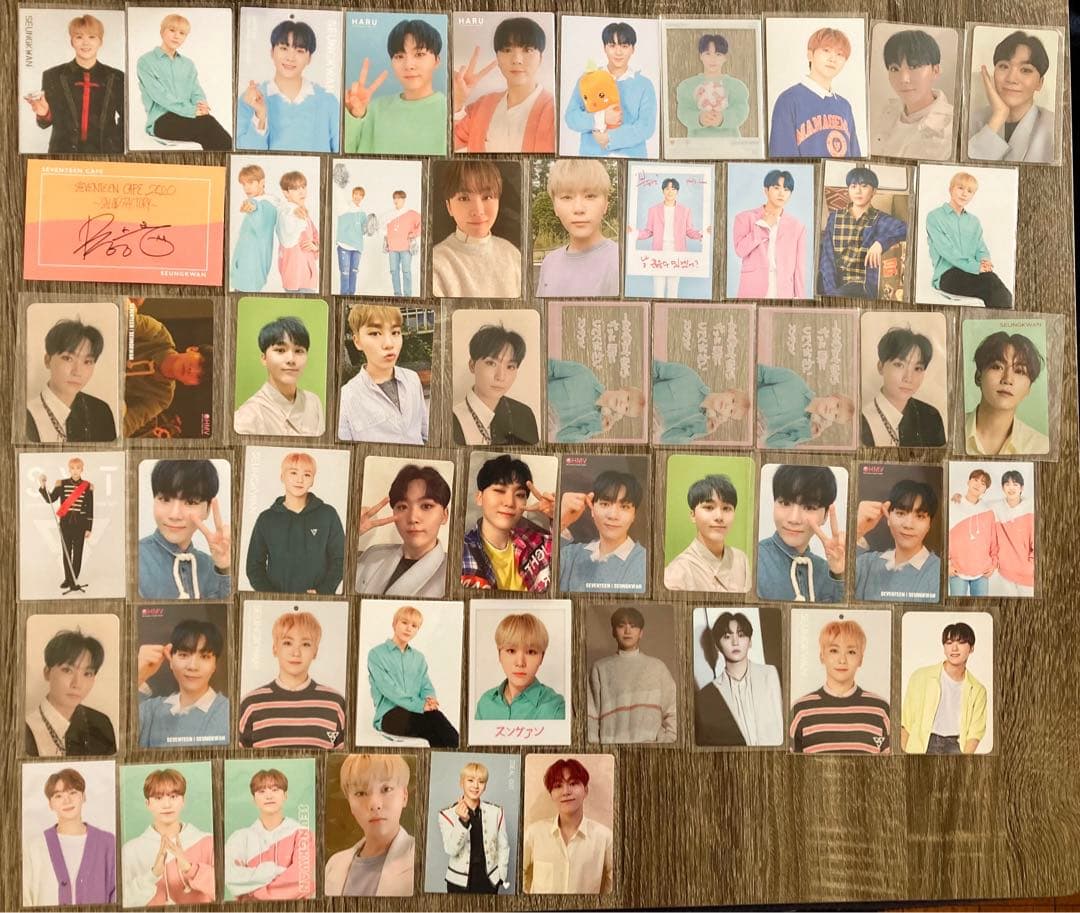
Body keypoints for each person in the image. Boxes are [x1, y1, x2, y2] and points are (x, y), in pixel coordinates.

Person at [237, 610, 347, 750]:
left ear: (315, 651)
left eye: (305, 644)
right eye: (288, 643)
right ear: (275, 648)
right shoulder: (250, 705)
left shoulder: (335, 704)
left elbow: (344, 760)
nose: (296, 653)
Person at [245, 452, 344, 595]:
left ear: (313, 480)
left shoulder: (328, 515)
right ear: (282, 477)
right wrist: (272, 597)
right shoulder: (266, 519)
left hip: (319, 601)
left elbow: (340, 560)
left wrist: (322, 592)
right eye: (293, 472)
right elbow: (254, 566)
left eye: (307, 475)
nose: (300, 480)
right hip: (276, 602)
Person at [344, 18, 446, 155]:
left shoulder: (448, 111)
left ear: (436, 61)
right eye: (399, 56)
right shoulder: (374, 109)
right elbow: (347, 156)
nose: (409, 65)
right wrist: (354, 116)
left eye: (419, 54)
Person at [453, 16, 555, 153]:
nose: (517, 60)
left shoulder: (554, 111)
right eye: (507, 50)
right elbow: (449, 143)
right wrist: (457, 102)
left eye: (528, 50)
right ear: (498, 57)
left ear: (540, 58)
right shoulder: (482, 105)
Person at [237, 19, 340, 152]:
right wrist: (260, 116)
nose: (290, 58)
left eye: (299, 51)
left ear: (309, 58)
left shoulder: (328, 102)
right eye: (284, 48)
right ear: (272, 52)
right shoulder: (250, 100)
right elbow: (243, 156)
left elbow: (340, 156)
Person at [790, 619, 891, 754]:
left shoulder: (880, 710)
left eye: (851, 652)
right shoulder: (800, 711)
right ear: (822, 656)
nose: (842, 660)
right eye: (834, 650)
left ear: (861, 659)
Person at [26, 14, 124, 153]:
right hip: (63, 154)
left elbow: (127, 120)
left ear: (100, 42)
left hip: (105, 154)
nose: (85, 43)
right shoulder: (52, 76)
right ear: (72, 41)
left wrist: (114, 147)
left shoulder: (117, 77)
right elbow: (44, 124)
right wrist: (44, 113)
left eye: (92, 37)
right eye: (79, 37)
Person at [366, 605, 459, 746]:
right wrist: (420, 705)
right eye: (404, 622)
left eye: (414, 626)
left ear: (417, 630)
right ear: (394, 624)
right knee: (435, 721)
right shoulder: (376, 654)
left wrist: (430, 699)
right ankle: (460, 748)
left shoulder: (418, 658)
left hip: (416, 713)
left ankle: (454, 750)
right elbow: (389, 689)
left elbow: (425, 685)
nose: (409, 628)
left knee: (434, 732)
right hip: (390, 715)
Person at [121, 768, 216, 906]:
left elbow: (221, 892)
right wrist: (153, 875)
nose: (167, 805)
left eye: (173, 796)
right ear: (148, 804)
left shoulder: (208, 841)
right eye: (158, 798)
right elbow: (124, 902)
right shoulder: (131, 850)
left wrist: (190, 869)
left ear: (183, 801)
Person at [136, 13, 231, 149]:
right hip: (162, 119)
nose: (177, 36)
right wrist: (191, 110)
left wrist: (201, 104)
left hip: (188, 116)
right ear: (162, 32)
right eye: (172, 30)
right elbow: (160, 95)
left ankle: (223, 159)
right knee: (208, 126)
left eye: (182, 33)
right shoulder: (146, 61)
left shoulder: (188, 64)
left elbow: (195, 90)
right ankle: (230, 157)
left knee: (209, 130)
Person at [23, 767, 116, 906]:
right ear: (50, 804)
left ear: (83, 797)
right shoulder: (34, 848)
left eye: (73, 793)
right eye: (58, 796)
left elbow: (116, 897)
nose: (67, 801)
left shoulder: (108, 843)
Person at [138, 460, 230, 600]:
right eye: (165, 499)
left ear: (208, 509)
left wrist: (225, 568)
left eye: (191, 502)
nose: (175, 515)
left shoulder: (212, 567)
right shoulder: (133, 560)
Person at [324, 754, 414, 896]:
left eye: (386, 789)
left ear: (404, 796)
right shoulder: (333, 865)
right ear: (350, 804)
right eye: (361, 793)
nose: (374, 804)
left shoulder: (421, 860)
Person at [563, 21, 657, 157]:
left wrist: (610, 138)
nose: (618, 52)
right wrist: (601, 118)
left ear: (633, 49)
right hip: (593, 159)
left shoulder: (644, 85)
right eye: (612, 45)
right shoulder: (588, 79)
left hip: (631, 158)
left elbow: (646, 127)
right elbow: (571, 117)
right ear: (604, 48)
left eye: (624, 46)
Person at [355, 464, 450, 597]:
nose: (412, 518)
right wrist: (352, 533)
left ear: (444, 515)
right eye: (402, 507)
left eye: (426, 506)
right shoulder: (373, 555)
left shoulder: (456, 573)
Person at [461, 455, 552, 592]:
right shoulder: (462, 552)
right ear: (479, 498)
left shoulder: (535, 542)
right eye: (499, 491)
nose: (509, 502)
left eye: (519, 495)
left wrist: (558, 518)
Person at [339, 305, 428, 444]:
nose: (389, 344)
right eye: (375, 333)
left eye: (395, 332)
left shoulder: (412, 379)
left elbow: (425, 434)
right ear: (357, 342)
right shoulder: (346, 398)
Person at [432, 161, 522, 298]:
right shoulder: (436, 263)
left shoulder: (512, 254)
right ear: (449, 207)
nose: (478, 211)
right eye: (464, 198)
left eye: (487, 197)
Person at [757, 465, 845, 603]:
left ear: (826, 515)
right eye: (785, 503)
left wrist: (839, 574)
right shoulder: (754, 561)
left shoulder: (826, 570)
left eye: (809, 507)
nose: (794, 519)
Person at [523, 758, 613, 894]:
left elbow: (614, 884)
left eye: (573, 783)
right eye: (558, 785)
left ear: (585, 790)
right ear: (551, 794)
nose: (566, 791)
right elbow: (516, 873)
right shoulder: (534, 833)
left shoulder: (605, 837)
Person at [223, 769, 315, 901]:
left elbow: (302, 882)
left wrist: (253, 892)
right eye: (261, 791)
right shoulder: (240, 838)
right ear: (254, 799)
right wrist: (274, 871)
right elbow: (230, 876)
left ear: (285, 795)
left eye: (275, 789)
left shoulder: (302, 835)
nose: (269, 796)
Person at [587, 607, 676, 743]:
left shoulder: (657, 668)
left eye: (633, 626)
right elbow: (590, 718)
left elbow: (673, 712)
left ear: (641, 633)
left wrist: (664, 744)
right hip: (611, 750)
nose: (627, 631)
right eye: (621, 626)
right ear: (613, 632)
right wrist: (599, 751)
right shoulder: (599, 669)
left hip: (651, 751)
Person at [925, 171, 1013, 309]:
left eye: (969, 191)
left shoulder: (974, 221)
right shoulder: (934, 217)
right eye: (960, 188)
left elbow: (980, 248)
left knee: (999, 291)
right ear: (951, 189)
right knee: (991, 284)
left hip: (972, 272)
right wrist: (976, 267)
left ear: (973, 195)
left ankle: (1001, 317)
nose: (964, 194)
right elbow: (947, 250)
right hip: (948, 274)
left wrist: (985, 261)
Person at [769, 27, 861, 157]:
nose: (833, 59)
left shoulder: (844, 106)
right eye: (826, 50)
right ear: (810, 55)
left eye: (839, 54)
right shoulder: (789, 100)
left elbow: (855, 159)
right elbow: (782, 156)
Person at [695, 611, 784, 746]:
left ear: (750, 642)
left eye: (741, 635)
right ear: (717, 646)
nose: (735, 642)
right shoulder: (707, 696)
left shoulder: (772, 675)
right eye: (727, 636)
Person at [124, 301, 212, 437]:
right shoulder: (158, 333)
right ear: (192, 349)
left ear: (190, 384)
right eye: (199, 363)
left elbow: (129, 422)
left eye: (199, 377)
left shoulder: (162, 397)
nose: (192, 371)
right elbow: (120, 322)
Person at [137, 619, 229, 748]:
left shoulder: (228, 712)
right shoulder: (149, 709)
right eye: (184, 655)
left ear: (215, 665)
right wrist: (138, 675)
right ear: (170, 659)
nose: (192, 666)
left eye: (204, 656)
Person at [818, 166, 907, 298]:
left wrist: (880, 243)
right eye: (853, 186)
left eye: (864, 186)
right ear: (848, 190)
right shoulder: (835, 218)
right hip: (837, 286)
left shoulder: (880, 219)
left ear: (874, 191)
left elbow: (906, 229)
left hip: (865, 288)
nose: (858, 191)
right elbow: (827, 258)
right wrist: (831, 293)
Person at [535, 159, 620, 297]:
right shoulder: (549, 263)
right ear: (554, 206)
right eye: (567, 197)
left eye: (590, 196)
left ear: (605, 204)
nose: (579, 208)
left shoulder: (621, 262)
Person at [26, 629, 116, 757]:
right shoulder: (25, 729)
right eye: (67, 670)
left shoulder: (101, 724)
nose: (77, 684)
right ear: (47, 672)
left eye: (87, 673)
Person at [968, 30, 1055, 163]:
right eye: (1004, 66)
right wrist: (999, 115)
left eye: (1025, 70)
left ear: (1040, 83)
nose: (1011, 79)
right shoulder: (971, 120)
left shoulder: (1055, 128)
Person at [901, 622, 987, 754]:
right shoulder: (921, 677)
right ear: (944, 647)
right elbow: (905, 723)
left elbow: (975, 733)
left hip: (956, 746)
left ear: (971, 648)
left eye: (961, 642)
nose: (954, 648)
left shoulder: (977, 690)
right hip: (923, 745)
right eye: (949, 643)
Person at [27, 318, 116, 443]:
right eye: (68, 358)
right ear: (47, 360)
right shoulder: (26, 416)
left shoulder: (101, 411)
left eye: (87, 362)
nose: (77, 372)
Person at [870, 28, 954, 159]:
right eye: (895, 69)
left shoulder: (952, 127)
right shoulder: (886, 112)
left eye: (913, 67)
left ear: (935, 71)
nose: (903, 79)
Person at [559, 469, 647, 594]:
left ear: (634, 515)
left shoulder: (644, 562)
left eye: (624, 507)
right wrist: (561, 520)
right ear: (592, 509)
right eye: (605, 504)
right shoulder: (571, 554)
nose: (613, 515)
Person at [854, 479, 942, 603]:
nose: (908, 525)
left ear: (929, 525)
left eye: (920, 516)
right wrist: (857, 530)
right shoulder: (866, 563)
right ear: (888, 517)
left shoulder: (939, 572)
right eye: (901, 513)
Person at [234, 317, 325, 437]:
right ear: (264, 358)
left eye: (298, 351)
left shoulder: (313, 402)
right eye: (281, 350)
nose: (291, 359)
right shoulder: (247, 417)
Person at [452, 324, 538, 445]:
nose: (500, 377)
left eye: (510, 366)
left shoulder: (524, 415)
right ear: (472, 365)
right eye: (491, 363)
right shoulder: (452, 420)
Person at [964, 330, 1048, 455]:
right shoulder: (948, 431)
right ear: (978, 376)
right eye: (997, 367)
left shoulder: (1041, 447)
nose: (1007, 379)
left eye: (1019, 371)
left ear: (1029, 388)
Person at [860, 325, 946, 447]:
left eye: (917, 368)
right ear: (881, 367)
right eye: (899, 365)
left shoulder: (931, 417)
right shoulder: (861, 421)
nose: (908, 378)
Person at [664, 474, 750, 593]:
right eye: (709, 507)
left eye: (726, 508)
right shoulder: (677, 572)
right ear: (693, 515)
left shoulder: (741, 559)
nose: (719, 517)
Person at [628, 177, 710, 298]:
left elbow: (689, 231)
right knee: (658, 290)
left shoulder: (685, 210)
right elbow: (648, 231)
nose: (670, 191)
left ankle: (670, 310)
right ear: (663, 191)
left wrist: (704, 233)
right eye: (667, 188)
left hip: (677, 254)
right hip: (658, 253)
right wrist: (633, 233)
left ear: (677, 191)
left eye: (673, 188)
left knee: (673, 290)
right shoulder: (653, 210)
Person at [731, 169, 806, 298]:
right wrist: (763, 225)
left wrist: (800, 300)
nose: (781, 193)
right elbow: (740, 251)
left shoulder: (797, 227)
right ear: (766, 190)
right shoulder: (744, 218)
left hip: (783, 294)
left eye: (786, 189)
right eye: (776, 188)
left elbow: (799, 270)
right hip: (752, 290)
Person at [475, 613, 565, 720]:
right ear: (499, 654)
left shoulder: (556, 709)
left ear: (542, 657)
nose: (520, 663)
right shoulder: (485, 704)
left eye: (531, 652)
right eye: (511, 651)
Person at [437, 762, 509, 893]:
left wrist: (501, 876)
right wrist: (462, 822)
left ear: (485, 786)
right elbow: (451, 850)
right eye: (470, 780)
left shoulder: (496, 812)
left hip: (489, 881)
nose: (475, 786)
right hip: (458, 883)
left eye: (481, 782)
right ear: (461, 783)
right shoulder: (446, 815)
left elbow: (503, 846)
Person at [651, 359, 751, 444]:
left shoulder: (699, 426)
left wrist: (708, 428)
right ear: (729, 391)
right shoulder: (689, 377)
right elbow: (653, 367)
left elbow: (666, 439)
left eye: (731, 411)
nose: (727, 406)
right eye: (733, 400)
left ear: (726, 418)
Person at [756, 363, 856, 448]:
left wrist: (807, 434)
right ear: (832, 396)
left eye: (835, 416)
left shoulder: (802, 430)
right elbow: (759, 372)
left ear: (830, 421)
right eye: (837, 405)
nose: (832, 410)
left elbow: (771, 443)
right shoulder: (794, 381)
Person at [547, 358, 645, 442]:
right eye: (628, 398)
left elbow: (561, 438)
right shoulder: (585, 374)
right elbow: (549, 367)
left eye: (626, 409)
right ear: (623, 388)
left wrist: (597, 429)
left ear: (621, 414)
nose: (623, 403)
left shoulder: (593, 425)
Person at [37, 458, 96, 594]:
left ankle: (73, 579)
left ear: (82, 470)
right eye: (72, 468)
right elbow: (50, 499)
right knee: (66, 552)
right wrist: (42, 485)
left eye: (78, 468)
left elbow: (90, 509)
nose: (75, 471)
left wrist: (89, 528)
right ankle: (68, 579)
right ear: (69, 470)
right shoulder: (62, 484)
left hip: (80, 524)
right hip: (65, 523)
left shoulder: (87, 486)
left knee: (78, 553)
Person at [675, 33, 750, 139]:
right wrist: (699, 118)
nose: (713, 59)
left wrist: (723, 118)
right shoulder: (687, 86)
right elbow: (683, 111)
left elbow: (741, 111)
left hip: (730, 144)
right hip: (697, 145)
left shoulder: (737, 86)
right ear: (700, 56)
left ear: (725, 57)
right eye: (707, 54)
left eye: (718, 54)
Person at [947, 468, 996, 597]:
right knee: (957, 607)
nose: (978, 484)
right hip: (956, 570)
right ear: (968, 482)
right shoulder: (953, 505)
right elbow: (942, 537)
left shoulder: (988, 512)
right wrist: (946, 564)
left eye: (983, 483)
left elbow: (993, 542)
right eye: (975, 480)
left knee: (980, 608)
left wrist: (993, 565)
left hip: (982, 571)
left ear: (985, 490)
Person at [231, 164, 279, 292]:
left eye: (251, 182)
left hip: (250, 272)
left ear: (262, 182)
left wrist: (253, 207)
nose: (246, 188)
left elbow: (258, 211)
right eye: (244, 184)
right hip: (246, 270)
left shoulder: (265, 204)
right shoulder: (263, 202)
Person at [989, 469, 1035, 597]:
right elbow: (975, 504)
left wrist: (1031, 565)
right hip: (1005, 572)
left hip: (1028, 573)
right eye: (1007, 484)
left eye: (1015, 484)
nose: (1011, 488)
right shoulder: (995, 507)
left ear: (1022, 488)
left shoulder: (1031, 507)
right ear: (1002, 488)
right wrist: (959, 497)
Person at [274, 171, 320, 293]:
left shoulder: (304, 214)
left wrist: (315, 246)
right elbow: (287, 238)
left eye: (303, 187)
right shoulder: (285, 212)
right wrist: (292, 211)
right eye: (295, 188)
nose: (301, 192)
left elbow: (316, 236)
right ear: (286, 193)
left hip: (308, 276)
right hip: (293, 276)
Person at [382, 190, 422, 296]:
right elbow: (384, 228)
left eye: (399, 198)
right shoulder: (390, 214)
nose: (396, 200)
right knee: (394, 271)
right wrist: (386, 240)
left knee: (406, 271)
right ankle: (397, 295)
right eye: (394, 198)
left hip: (406, 247)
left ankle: (408, 296)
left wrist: (414, 234)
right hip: (392, 247)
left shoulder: (411, 213)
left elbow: (423, 223)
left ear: (404, 200)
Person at [336, 186, 369, 296]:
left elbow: (364, 231)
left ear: (362, 197)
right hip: (344, 245)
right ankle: (344, 297)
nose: (357, 197)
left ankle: (351, 296)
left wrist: (370, 227)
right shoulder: (344, 207)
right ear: (352, 194)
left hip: (357, 247)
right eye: (356, 194)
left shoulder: (362, 213)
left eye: (360, 195)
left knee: (354, 273)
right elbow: (338, 195)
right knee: (345, 273)